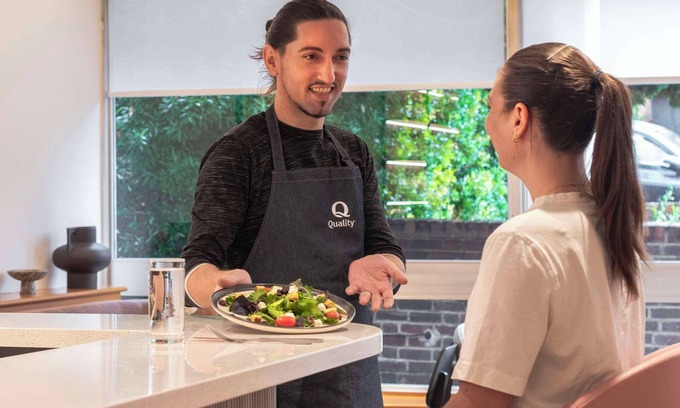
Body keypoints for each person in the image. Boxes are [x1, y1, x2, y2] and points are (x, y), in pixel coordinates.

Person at [181, 1, 407, 407]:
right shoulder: (238, 154)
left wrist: (384, 266)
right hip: (260, 380)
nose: (328, 75)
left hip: (347, 377)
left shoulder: (353, 152)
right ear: (273, 60)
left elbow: (383, 245)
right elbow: (198, 261)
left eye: (340, 58)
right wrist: (213, 286)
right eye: (311, 56)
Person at [445, 42, 648, 408]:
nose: (487, 122)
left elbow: (479, 403)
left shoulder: (522, 243)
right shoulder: (614, 224)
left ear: (518, 119)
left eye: (491, 106)